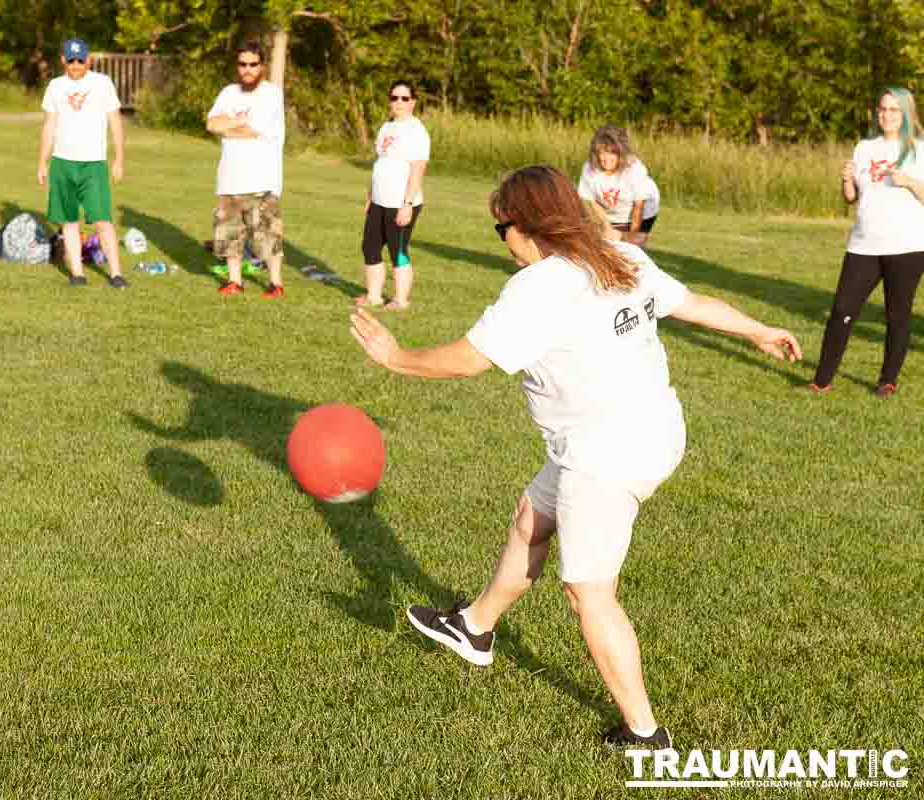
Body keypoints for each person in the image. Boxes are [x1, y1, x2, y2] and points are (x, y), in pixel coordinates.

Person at [350, 166, 801, 748]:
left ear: (527, 225)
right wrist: (758, 330)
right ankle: (475, 628)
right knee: (530, 519)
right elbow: (693, 304)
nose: (503, 242)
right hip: (655, 429)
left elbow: (469, 360)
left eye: (500, 229)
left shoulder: (539, 287)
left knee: (588, 591)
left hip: (604, 455)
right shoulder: (619, 255)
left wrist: (395, 358)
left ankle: (645, 733)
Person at [808, 87, 924, 397]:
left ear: (906, 113)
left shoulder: (919, 150)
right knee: (842, 311)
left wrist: (910, 182)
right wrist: (846, 180)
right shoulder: (864, 148)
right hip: (863, 244)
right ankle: (822, 380)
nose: (887, 114)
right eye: (883, 109)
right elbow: (852, 198)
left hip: (907, 246)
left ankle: (887, 380)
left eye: (894, 110)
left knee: (897, 314)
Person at [37, 38, 128, 288]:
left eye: (80, 60)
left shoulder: (102, 84)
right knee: (68, 220)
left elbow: (115, 122)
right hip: (63, 162)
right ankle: (78, 274)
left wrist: (119, 159)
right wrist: (42, 162)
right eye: (71, 60)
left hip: (94, 163)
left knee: (102, 220)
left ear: (88, 60)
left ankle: (116, 274)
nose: (76, 65)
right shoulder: (55, 87)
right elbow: (49, 125)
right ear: (63, 60)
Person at [206, 41, 286, 297]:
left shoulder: (271, 93)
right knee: (230, 235)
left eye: (253, 64)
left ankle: (275, 284)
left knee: (268, 237)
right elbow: (211, 124)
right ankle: (235, 281)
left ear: (261, 66)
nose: (248, 69)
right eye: (243, 64)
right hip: (230, 178)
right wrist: (235, 125)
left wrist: (229, 126)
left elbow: (254, 130)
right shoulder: (228, 92)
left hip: (261, 178)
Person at [356, 80, 430, 311]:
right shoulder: (387, 127)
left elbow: (418, 168)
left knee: (397, 251)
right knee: (370, 247)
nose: (398, 102)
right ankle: (374, 296)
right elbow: (381, 162)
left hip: (401, 202)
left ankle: (400, 300)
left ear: (413, 102)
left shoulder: (416, 131)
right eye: (394, 98)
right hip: (379, 201)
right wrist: (370, 196)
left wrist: (407, 204)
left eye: (404, 98)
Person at [578, 125, 660, 248]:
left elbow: (639, 205)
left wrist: (633, 236)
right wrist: (606, 225)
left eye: (612, 153)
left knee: (634, 248)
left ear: (621, 153)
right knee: (608, 246)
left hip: (643, 210)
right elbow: (592, 201)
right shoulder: (589, 168)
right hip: (612, 212)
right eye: (602, 152)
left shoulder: (634, 169)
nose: (605, 158)